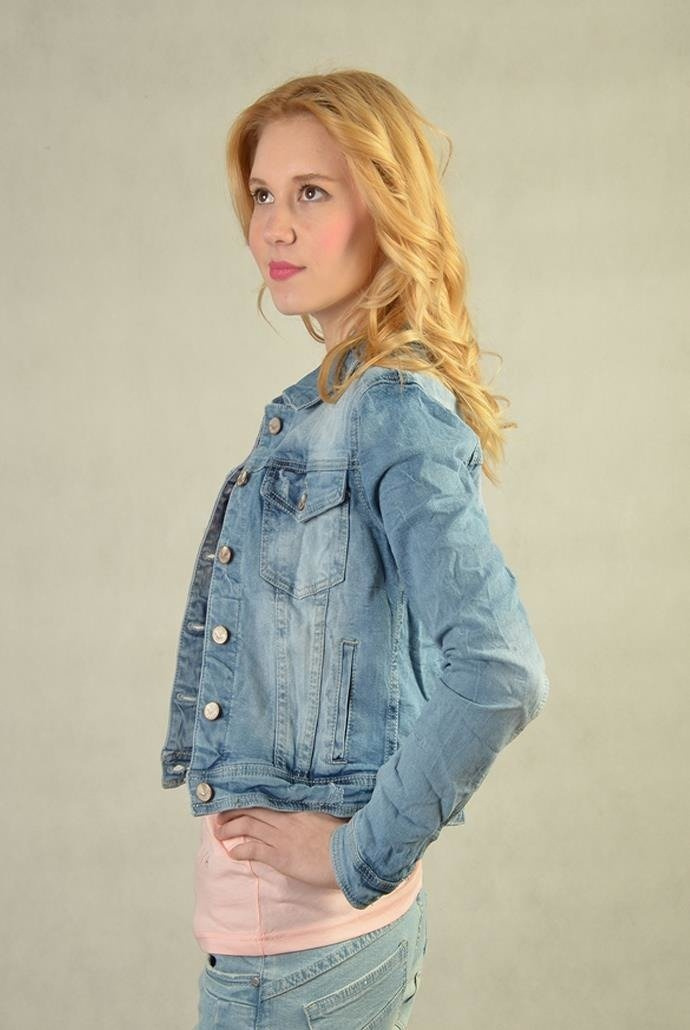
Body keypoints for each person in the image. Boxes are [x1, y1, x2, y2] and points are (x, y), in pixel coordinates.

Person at [160, 68, 550, 1030]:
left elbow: (499, 668)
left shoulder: (390, 410)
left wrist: (352, 853)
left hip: (297, 967)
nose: (274, 228)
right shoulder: (332, 403)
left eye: (312, 193)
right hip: (291, 958)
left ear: (388, 206)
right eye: (263, 195)